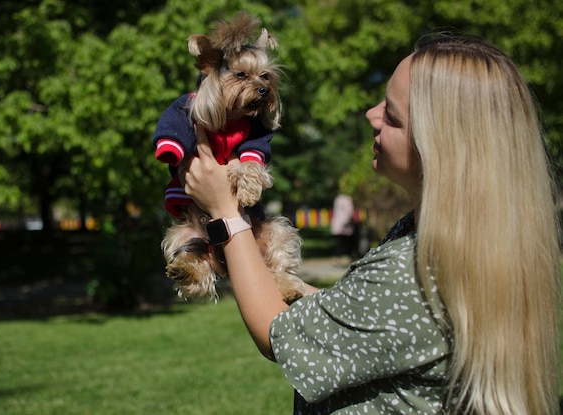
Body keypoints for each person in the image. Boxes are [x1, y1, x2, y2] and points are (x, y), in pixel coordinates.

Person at [181, 34, 561, 414]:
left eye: (392, 115)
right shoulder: (446, 240)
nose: (371, 115)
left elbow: (278, 335)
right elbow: (354, 308)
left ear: (441, 145)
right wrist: (279, 279)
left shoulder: (411, 270)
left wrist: (226, 214)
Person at [330, 193, 356, 265]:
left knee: (338, 243)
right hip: (346, 225)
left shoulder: (338, 198)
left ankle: (335, 258)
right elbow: (349, 212)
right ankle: (351, 257)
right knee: (349, 243)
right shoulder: (348, 199)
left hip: (337, 224)